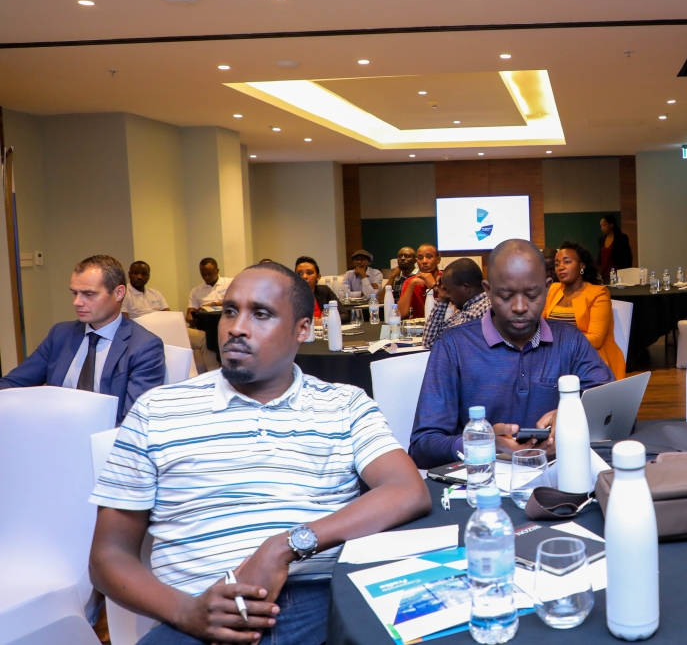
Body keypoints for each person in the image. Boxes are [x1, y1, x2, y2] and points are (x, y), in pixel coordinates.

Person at [89, 262, 431, 645]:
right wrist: (187, 612)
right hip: (199, 611)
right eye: (231, 311)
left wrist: (285, 545)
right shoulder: (159, 410)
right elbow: (108, 557)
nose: (236, 327)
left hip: (321, 602)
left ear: (302, 329)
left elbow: (407, 489)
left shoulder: (343, 404)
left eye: (261, 314)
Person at [408, 239, 613, 469]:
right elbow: (422, 446)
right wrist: (482, 442)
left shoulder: (570, 341)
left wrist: (572, 412)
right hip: (482, 482)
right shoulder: (453, 346)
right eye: (506, 296)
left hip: (559, 476)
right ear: (487, 291)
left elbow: (613, 408)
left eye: (532, 295)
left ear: (547, 287)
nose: (519, 307)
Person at [0, 255, 166, 423]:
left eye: (88, 294)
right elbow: (14, 383)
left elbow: (134, 422)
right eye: (74, 293)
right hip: (52, 430)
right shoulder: (60, 334)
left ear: (118, 293)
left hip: (104, 441)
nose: (77, 302)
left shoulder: (144, 346)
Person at [545, 241, 625, 379]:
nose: (560, 267)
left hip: (588, 358)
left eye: (567, 262)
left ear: (582, 266)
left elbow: (596, 339)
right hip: (553, 357)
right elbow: (541, 324)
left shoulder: (598, 293)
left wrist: (559, 344)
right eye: (557, 264)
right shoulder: (553, 289)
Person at [124, 260, 217, 374]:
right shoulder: (124, 294)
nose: (139, 276)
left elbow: (169, 315)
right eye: (135, 273)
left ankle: (214, 375)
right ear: (129, 274)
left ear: (148, 276)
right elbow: (126, 322)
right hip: (143, 334)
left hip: (166, 329)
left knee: (203, 337)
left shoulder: (155, 293)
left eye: (144, 274)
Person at [423, 258, 489, 349]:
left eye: (448, 290)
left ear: (466, 287)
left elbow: (431, 343)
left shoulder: (481, 310)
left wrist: (443, 300)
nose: (447, 295)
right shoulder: (466, 308)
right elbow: (429, 342)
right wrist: (442, 300)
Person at [295, 256, 348, 324]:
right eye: (300, 273)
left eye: (309, 273)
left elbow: (344, 315)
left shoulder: (324, 291)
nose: (304, 276)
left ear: (318, 277)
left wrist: (324, 321)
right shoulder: (289, 296)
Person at [396, 243, 441, 319]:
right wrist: (412, 284)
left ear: (438, 260)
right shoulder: (411, 281)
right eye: (420, 258)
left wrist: (433, 284)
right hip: (419, 328)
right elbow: (400, 314)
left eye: (429, 257)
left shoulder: (448, 278)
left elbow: (453, 308)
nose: (424, 261)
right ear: (417, 261)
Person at [186, 258, 232, 325]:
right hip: (206, 324)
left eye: (210, 274)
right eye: (203, 274)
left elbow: (238, 301)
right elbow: (189, 315)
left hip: (227, 322)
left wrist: (212, 304)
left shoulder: (230, 283)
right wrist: (193, 319)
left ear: (217, 271)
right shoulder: (196, 291)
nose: (206, 277)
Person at [597, 214, 633, 281]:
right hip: (604, 274)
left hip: (618, 274)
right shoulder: (601, 240)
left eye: (604, 225)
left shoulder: (621, 238)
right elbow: (600, 257)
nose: (602, 228)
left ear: (611, 225)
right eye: (601, 226)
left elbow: (627, 257)